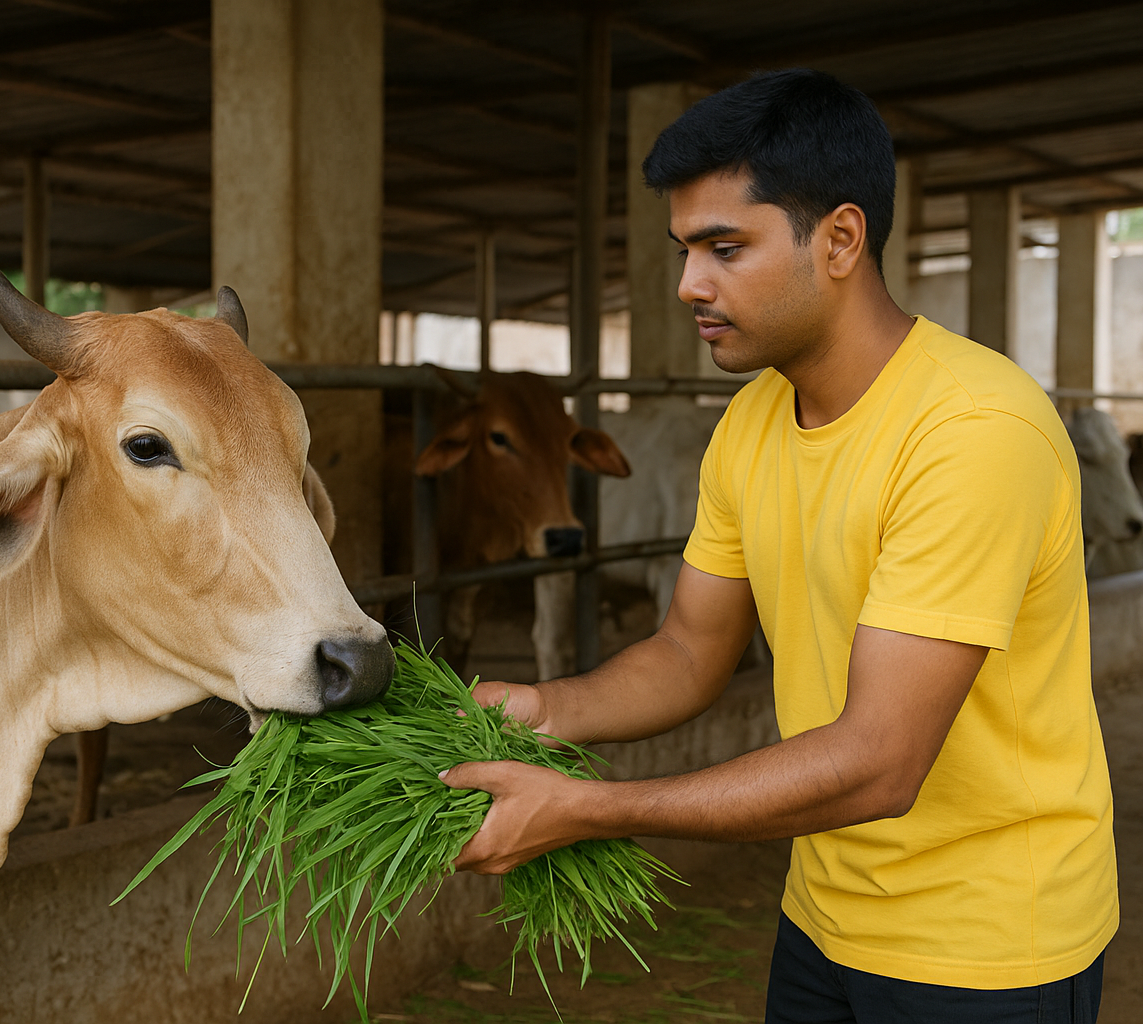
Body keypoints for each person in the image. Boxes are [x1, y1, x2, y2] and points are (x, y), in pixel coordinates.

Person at [439, 68, 1115, 1024]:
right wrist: (539, 708)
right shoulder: (753, 422)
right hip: (824, 912)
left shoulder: (972, 429)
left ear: (840, 239)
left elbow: (882, 759)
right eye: (684, 250)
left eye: (725, 248)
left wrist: (596, 807)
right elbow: (687, 652)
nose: (687, 285)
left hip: (986, 946)